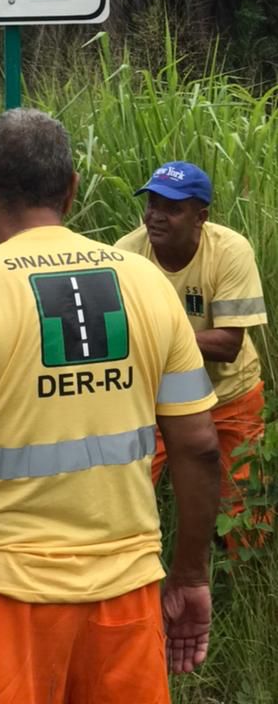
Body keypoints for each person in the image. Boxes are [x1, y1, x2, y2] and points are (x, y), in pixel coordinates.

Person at [0, 109, 221, 704]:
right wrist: (191, 573)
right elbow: (198, 445)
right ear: (71, 188)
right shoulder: (144, 282)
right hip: (128, 596)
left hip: (0, 602)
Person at [116, 161, 269, 544]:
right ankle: (134, 576)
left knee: (244, 504)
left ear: (201, 217)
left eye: (172, 208)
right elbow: (118, 337)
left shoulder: (230, 251)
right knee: (126, 494)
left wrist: (156, 334)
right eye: (152, 204)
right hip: (158, 397)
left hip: (231, 393)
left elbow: (229, 345)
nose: (156, 216)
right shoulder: (126, 255)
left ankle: (242, 584)